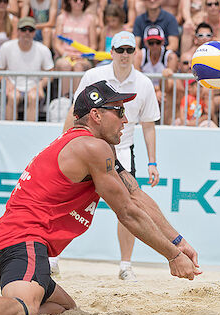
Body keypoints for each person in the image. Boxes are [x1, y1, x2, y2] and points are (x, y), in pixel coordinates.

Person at [0, 80, 200, 315]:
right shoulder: (93, 148)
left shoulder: (87, 144)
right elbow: (127, 213)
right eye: (119, 111)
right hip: (21, 241)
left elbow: (136, 197)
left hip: (11, 244)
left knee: (65, 308)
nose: (125, 120)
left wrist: (179, 242)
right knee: (25, 306)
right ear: (96, 115)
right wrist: (172, 255)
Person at [61, 31, 161, 280]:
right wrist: (64, 142)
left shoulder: (144, 83)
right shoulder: (94, 76)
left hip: (123, 150)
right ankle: (52, 258)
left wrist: (152, 162)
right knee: (68, 200)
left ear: (136, 53)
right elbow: (75, 112)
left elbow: (148, 126)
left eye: (129, 50)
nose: (125, 55)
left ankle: (125, 265)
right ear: (112, 52)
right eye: (120, 50)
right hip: (87, 146)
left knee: (131, 206)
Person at [0, 17, 53, 121]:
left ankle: (30, 132)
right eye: (23, 29)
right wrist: (7, 83)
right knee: (13, 97)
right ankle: (9, 129)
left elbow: (50, 74)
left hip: (33, 86)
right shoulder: (6, 47)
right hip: (13, 86)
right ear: (17, 31)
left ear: (34, 33)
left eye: (30, 30)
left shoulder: (43, 49)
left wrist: (40, 85)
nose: (27, 33)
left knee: (33, 97)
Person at [53, 0, 97, 96]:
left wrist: (82, 56)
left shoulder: (90, 19)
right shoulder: (61, 18)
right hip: (64, 55)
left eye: (82, 0)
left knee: (79, 66)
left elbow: (93, 45)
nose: (79, 2)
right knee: (65, 65)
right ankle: (65, 99)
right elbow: (57, 43)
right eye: (75, 0)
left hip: (83, 57)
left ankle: (76, 100)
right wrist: (66, 54)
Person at [135, 24, 177, 104]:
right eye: (151, 43)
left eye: (157, 42)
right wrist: (154, 91)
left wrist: (158, 90)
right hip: (145, 90)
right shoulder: (140, 56)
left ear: (163, 42)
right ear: (145, 43)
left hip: (164, 92)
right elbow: (137, 81)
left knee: (172, 90)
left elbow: (170, 86)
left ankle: (168, 116)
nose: (154, 46)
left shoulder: (170, 57)